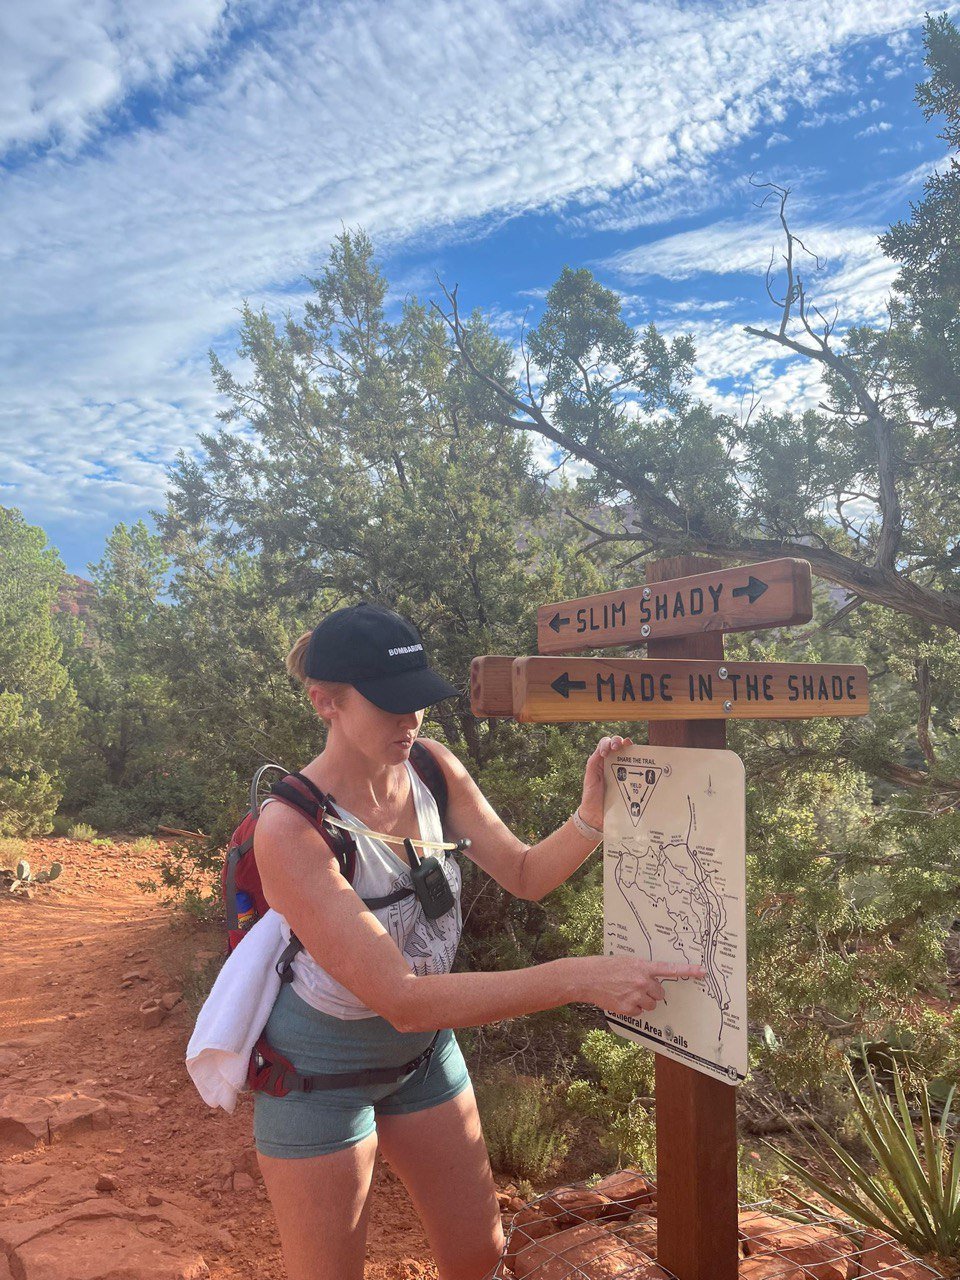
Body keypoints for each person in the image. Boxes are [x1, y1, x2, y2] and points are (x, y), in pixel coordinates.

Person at [252, 602, 705, 1280]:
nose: (410, 722)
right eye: (390, 706)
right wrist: (578, 978)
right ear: (326, 703)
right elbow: (402, 998)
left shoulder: (432, 767)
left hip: (423, 1056)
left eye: (419, 705)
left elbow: (524, 873)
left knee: (478, 1256)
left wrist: (591, 816)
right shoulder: (291, 829)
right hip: (317, 1072)